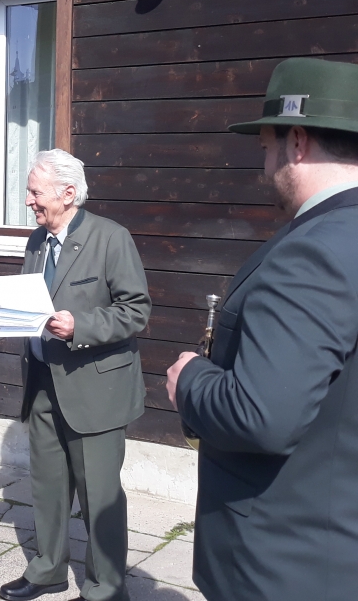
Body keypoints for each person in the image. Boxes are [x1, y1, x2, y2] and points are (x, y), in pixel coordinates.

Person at [166, 57, 358, 601]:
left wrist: (190, 380)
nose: (264, 165)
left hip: (283, 563)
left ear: (296, 141)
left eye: (266, 147)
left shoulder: (313, 253)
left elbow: (262, 417)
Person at [0, 149, 151, 601]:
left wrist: (80, 326)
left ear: (68, 193)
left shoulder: (110, 237)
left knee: (99, 495)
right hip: (43, 381)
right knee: (47, 485)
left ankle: (106, 588)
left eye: (35, 192)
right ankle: (47, 569)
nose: (28, 201)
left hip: (95, 387)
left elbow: (136, 310)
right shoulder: (37, 241)